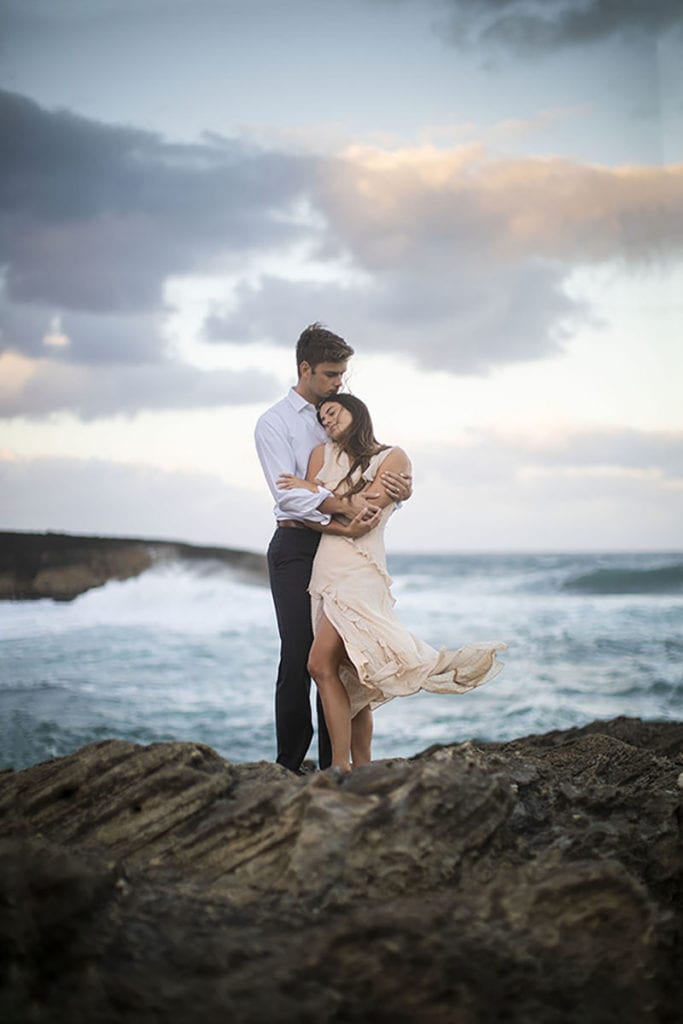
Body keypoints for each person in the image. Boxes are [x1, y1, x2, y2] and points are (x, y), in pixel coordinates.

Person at [278, 393, 507, 773]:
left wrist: (311, 490)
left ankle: (339, 766)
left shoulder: (393, 457)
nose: (327, 422)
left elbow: (367, 508)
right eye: (322, 418)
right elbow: (313, 513)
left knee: (319, 664)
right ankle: (361, 764)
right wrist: (320, 498)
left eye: (333, 413)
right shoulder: (322, 454)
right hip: (326, 569)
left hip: (360, 569)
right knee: (352, 673)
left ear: (356, 411)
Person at [254, 324, 411, 774]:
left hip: (338, 549)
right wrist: (344, 507)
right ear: (304, 369)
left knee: (339, 659)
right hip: (297, 545)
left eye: (342, 374)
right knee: (299, 653)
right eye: (329, 374)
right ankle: (288, 764)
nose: (338, 382)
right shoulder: (275, 423)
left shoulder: (339, 413)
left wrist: (402, 490)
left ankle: (333, 764)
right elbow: (287, 494)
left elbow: (373, 467)